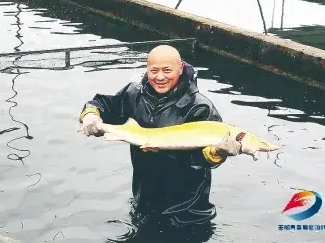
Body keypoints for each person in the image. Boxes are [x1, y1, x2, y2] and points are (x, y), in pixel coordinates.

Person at [77, 45, 243, 239]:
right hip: (144, 202)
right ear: (147, 69)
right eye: (154, 71)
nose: (160, 77)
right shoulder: (133, 94)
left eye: (167, 70)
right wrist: (90, 115)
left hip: (187, 212)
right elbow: (104, 104)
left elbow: (198, 160)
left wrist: (216, 153)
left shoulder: (200, 107)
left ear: (180, 68)